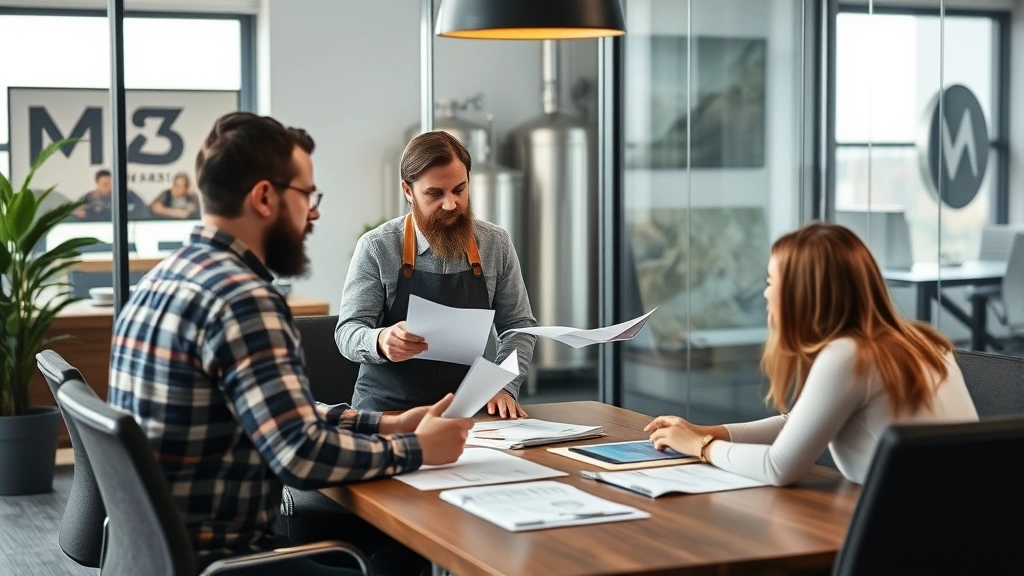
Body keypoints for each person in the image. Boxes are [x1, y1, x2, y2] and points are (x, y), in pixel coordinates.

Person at [108, 112, 472, 576]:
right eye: (307, 195)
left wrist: (388, 423)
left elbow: (276, 413)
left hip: (151, 556)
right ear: (264, 197)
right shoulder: (242, 300)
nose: (314, 212)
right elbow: (301, 455)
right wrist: (419, 450)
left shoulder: (161, 281)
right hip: (228, 563)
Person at [645, 222, 979, 486]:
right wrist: (709, 432)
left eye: (770, 281)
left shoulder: (849, 354)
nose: (765, 293)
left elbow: (778, 468)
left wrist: (700, 447)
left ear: (800, 295)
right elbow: (800, 421)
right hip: (961, 521)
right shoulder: (920, 341)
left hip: (911, 532)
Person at [336, 131, 537, 418]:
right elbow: (348, 332)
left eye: (459, 189)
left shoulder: (496, 244)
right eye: (435, 193)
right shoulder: (377, 247)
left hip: (466, 412)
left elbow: (519, 327)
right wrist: (380, 341)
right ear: (408, 191)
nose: (450, 204)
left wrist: (504, 384)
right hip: (386, 412)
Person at [72, 168, 147, 220]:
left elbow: (141, 206)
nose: (109, 187)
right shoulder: (90, 197)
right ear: (97, 184)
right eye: (105, 184)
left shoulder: (126, 194)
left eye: (111, 184)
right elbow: (75, 209)